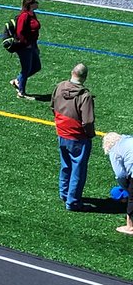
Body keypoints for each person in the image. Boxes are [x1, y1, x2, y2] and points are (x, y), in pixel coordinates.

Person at [52, 63, 95, 212]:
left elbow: (52, 106)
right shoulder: (85, 96)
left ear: (72, 72)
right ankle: (73, 202)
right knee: (78, 170)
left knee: (66, 165)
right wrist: (90, 134)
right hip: (78, 138)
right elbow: (88, 121)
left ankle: (64, 193)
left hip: (62, 133)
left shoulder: (59, 86)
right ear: (85, 77)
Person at [9, 0, 41, 99]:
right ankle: (21, 92)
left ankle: (18, 80)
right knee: (26, 69)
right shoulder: (24, 15)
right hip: (24, 47)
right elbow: (19, 32)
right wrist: (25, 44)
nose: (37, 3)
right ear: (31, 4)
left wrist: (35, 45)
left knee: (37, 66)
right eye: (35, 2)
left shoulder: (32, 14)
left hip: (32, 45)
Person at [102, 132, 133, 234]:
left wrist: (126, 188)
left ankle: (130, 227)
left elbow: (120, 174)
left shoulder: (114, 150)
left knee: (132, 199)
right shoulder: (128, 139)